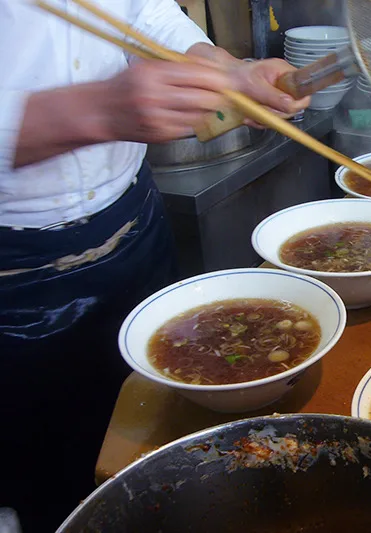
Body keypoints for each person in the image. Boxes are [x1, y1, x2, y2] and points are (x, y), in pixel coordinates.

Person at [0, 1, 309, 531]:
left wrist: (219, 68)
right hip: (13, 274)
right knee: (46, 472)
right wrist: (89, 111)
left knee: (159, 432)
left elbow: (139, 8)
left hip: (134, 221)